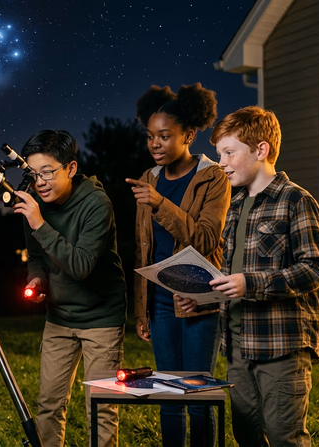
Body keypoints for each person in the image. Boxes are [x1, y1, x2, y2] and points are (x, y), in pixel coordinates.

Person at [175, 106, 319, 446]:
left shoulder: (296, 201)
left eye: (229, 152)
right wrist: (201, 298)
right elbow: (231, 280)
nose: (222, 162)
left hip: (280, 349)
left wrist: (252, 283)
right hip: (237, 348)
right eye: (218, 154)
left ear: (261, 150)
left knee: (283, 435)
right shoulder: (235, 208)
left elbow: (314, 269)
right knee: (246, 435)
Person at [125, 83, 230, 447]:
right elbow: (143, 251)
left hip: (199, 297)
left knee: (198, 395)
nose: (155, 144)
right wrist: (142, 310)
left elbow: (205, 239)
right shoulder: (147, 179)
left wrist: (159, 204)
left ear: (188, 134)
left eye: (165, 136)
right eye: (150, 136)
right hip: (160, 302)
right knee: (168, 394)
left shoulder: (213, 177)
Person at [13, 129, 127, 447]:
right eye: (33, 174)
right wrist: (36, 280)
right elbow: (37, 256)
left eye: (47, 172)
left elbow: (80, 266)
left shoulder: (96, 204)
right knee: (48, 404)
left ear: (71, 168)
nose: (40, 182)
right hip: (60, 316)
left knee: (101, 407)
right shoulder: (34, 204)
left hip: (101, 316)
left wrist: (40, 224)